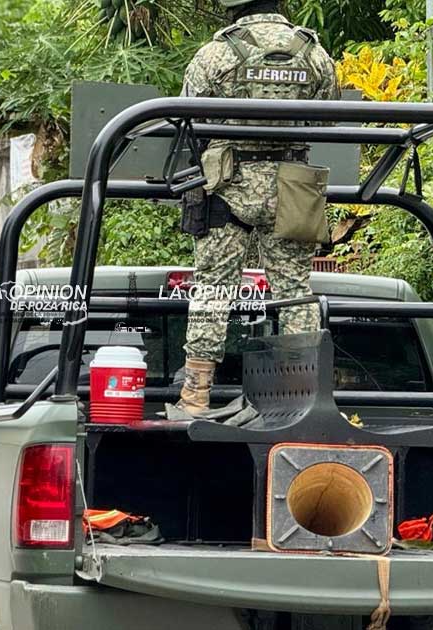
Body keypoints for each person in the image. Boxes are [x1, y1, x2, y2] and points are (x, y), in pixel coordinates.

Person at [175, 0, 339, 416]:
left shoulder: (216, 52)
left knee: (213, 288)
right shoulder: (313, 52)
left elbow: (186, 114)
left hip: (227, 185)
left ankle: (196, 395)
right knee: (295, 292)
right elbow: (328, 117)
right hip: (292, 188)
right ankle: (301, 401)